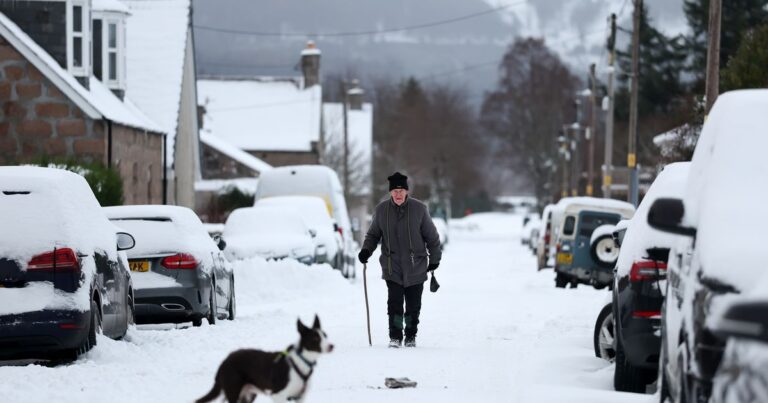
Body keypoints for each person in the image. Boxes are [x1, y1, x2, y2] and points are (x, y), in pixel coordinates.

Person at [358, 172, 441, 348]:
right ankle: (395, 336)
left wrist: (434, 260)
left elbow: (432, 238)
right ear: (390, 192)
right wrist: (366, 250)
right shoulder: (382, 210)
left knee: (412, 306)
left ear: (406, 191)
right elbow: (373, 235)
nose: (398, 194)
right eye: (394, 191)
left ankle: (410, 336)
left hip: (415, 266)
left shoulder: (419, 209)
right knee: (394, 304)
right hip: (392, 267)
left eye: (401, 190)